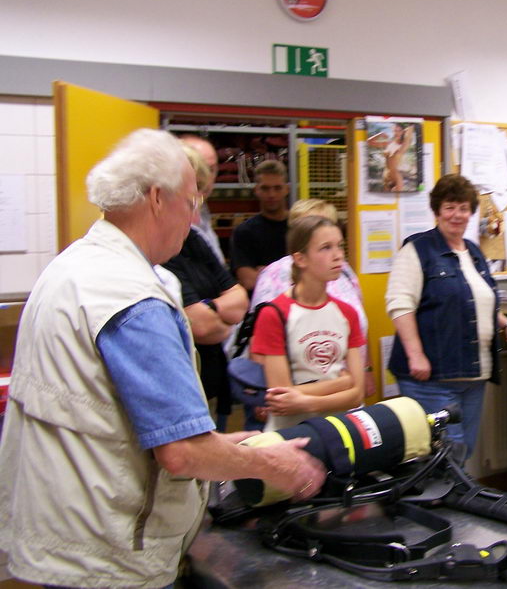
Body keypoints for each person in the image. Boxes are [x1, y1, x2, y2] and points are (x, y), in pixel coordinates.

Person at [0, 129, 324, 589]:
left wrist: (230, 447)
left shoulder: (73, 267)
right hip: (106, 556)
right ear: (156, 198)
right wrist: (277, 466)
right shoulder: (131, 298)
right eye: (191, 202)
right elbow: (180, 451)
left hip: (59, 535)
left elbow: (114, 418)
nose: (194, 219)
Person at [386, 173, 507, 457]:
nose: (457, 214)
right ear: (437, 209)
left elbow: (481, 300)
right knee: (442, 462)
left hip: (473, 377)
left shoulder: (474, 252)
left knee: (462, 454)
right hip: (432, 379)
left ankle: (453, 503)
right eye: (450, 207)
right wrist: (415, 354)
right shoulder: (418, 249)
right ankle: (431, 504)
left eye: (463, 207)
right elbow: (399, 303)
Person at [251, 215, 366, 431]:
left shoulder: (347, 313)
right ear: (300, 259)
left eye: (339, 246)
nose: (338, 256)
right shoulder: (274, 314)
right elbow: (281, 397)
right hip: (290, 433)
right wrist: (342, 383)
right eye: (325, 248)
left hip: (337, 430)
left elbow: (357, 394)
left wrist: (307, 401)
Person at [164, 144, 248, 432]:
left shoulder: (194, 239)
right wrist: (216, 312)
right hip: (183, 396)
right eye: (191, 196)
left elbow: (239, 299)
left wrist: (210, 310)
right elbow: (199, 326)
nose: (197, 209)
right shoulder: (161, 252)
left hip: (213, 383)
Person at [231, 159, 290, 293]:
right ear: (256, 190)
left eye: (277, 188)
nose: (271, 194)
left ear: (287, 189)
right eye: (265, 188)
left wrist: (265, 272)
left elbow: (311, 274)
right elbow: (248, 280)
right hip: (260, 308)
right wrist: (289, 275)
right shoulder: (244, 232)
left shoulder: (298, 227)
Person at [180, 134, 226, 266]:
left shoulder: (203, 212)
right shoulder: (172, 223)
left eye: (212, 169)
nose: (207, 178)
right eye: (200, 169)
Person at [367, 122, 415, 192]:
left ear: (402, 132)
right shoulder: (388, 143)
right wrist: (380, 134)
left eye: (399, 131)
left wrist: (410, 126)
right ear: (392, 131)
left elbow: (410, 130)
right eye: (395, 131)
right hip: (386, 174)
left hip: (395, 175)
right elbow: (368, 142)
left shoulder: (403, 145)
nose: (397, 133)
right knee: (386, 200)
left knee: (398, 198)